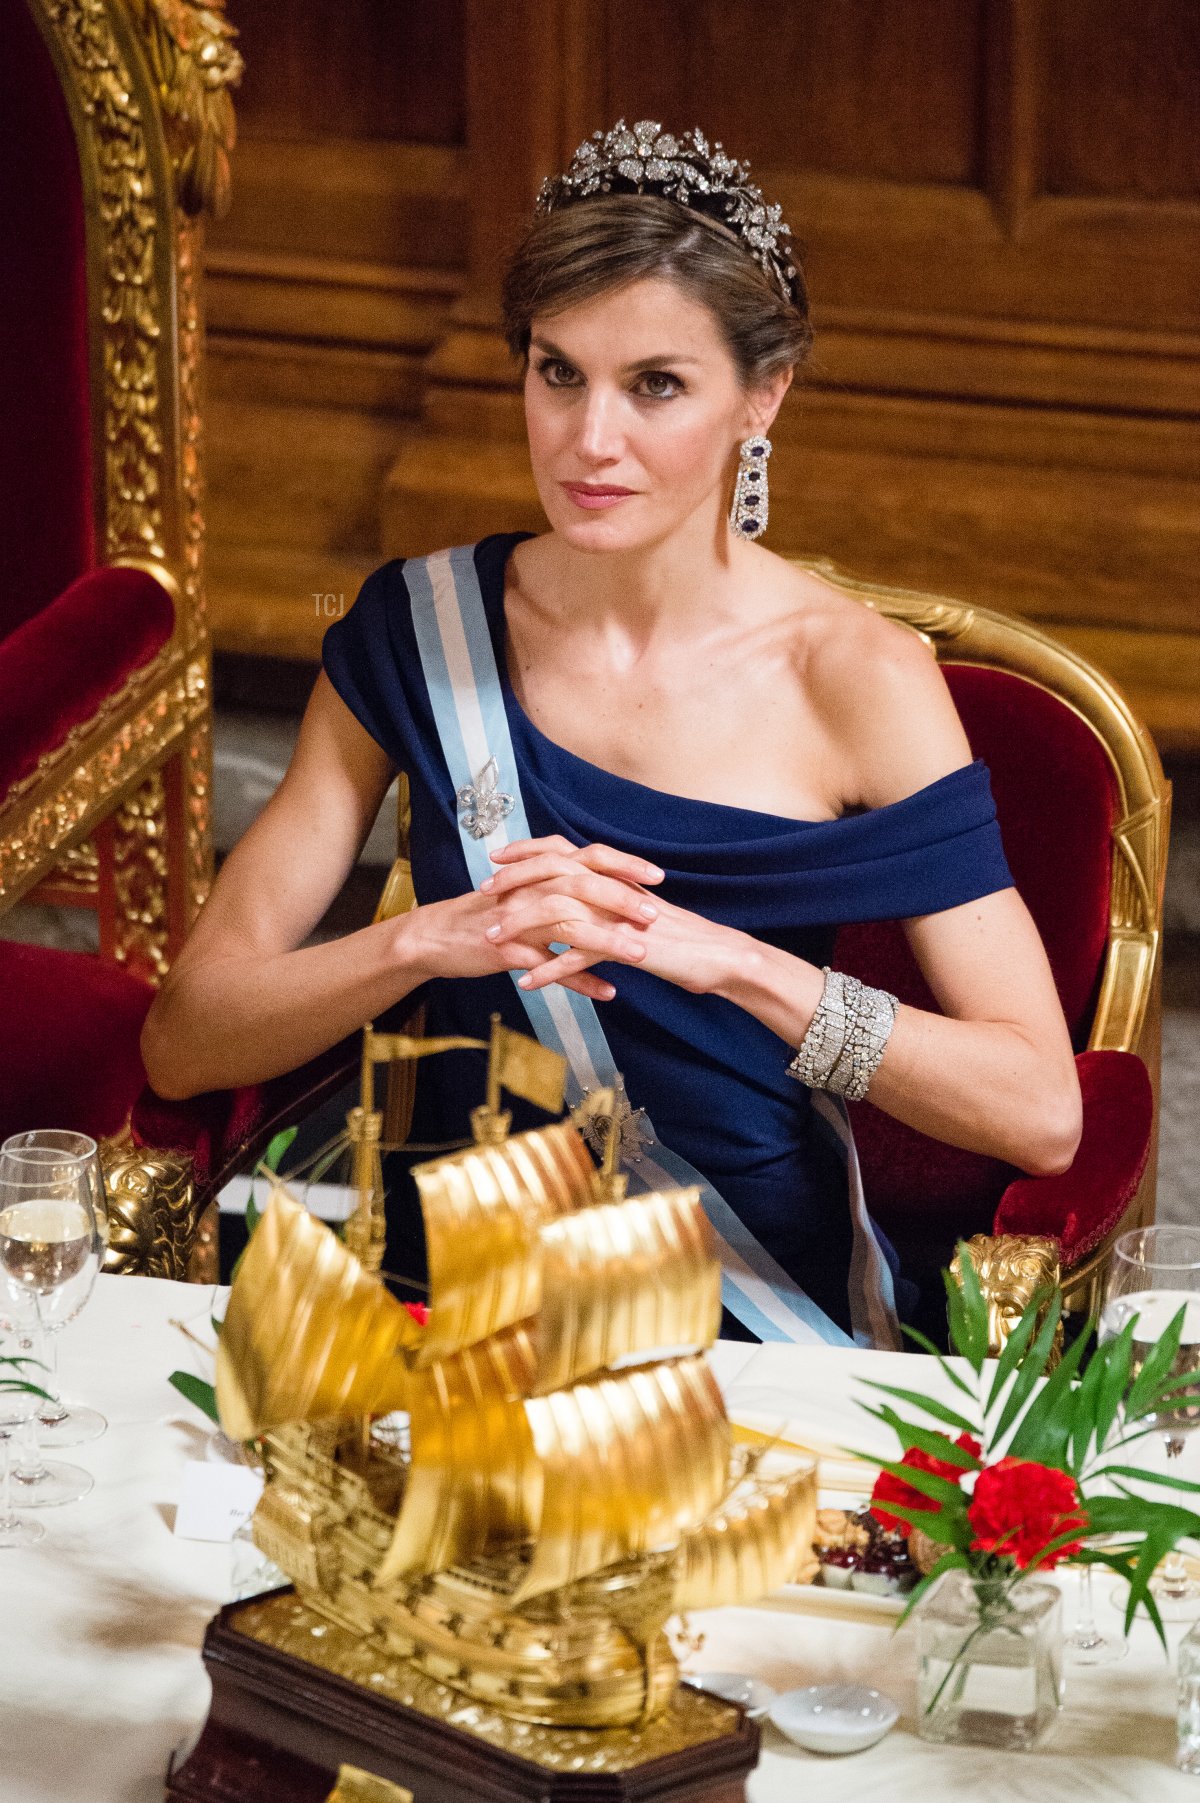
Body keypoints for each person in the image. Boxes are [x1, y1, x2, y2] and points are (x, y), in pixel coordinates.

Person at [141, 121, 1082, 1349]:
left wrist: (732, 964)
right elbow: (186, 1041)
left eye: (656, 385)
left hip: (739, 1313)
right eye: (558, 373)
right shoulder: (422, 632)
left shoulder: (858, 681)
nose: (590, 440)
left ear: (763, 396)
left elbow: (1039, 1110)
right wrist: (428, 940)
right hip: (446, 1298)